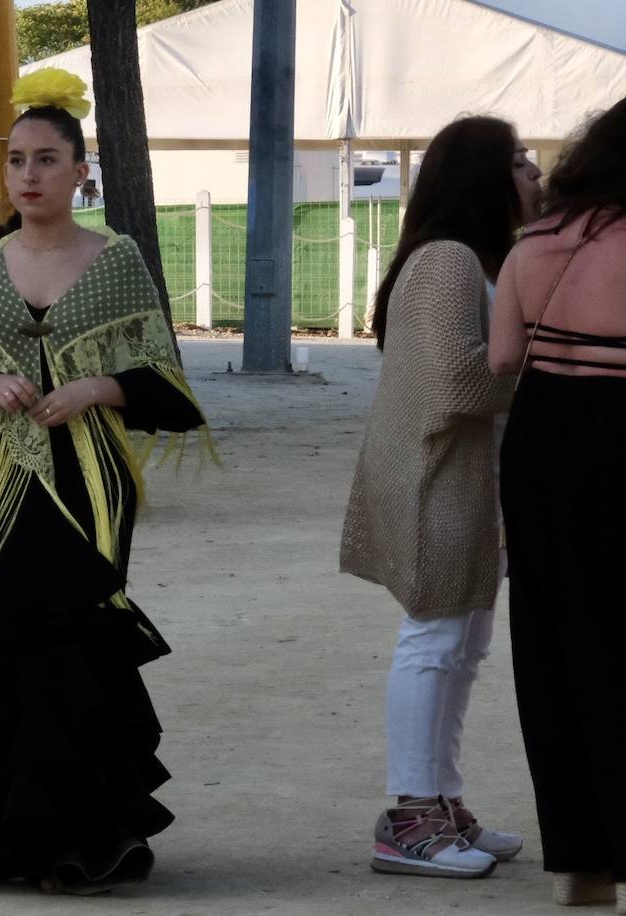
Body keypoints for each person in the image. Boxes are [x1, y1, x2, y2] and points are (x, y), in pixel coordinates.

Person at [0, 69, 210, 894]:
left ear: (81, 172)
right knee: (6, 640)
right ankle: (11, 836)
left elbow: (165, 383)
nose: (29, 174)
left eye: (46, 159)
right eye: (17, 160)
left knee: (79, 642)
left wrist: (97, 388)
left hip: (90, 483)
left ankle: (90, 834)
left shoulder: (118, 261)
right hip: (6, 482)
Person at [340, 116, 543, 878]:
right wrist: (550, 371)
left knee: (462, 645)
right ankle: (409, 815)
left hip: (466, 481)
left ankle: (443, 804)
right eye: (520, 162)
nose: (534, 176)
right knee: (433, 644)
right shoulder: (449, 261)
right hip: (438, 480)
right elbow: (458, 379)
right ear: (483, 176)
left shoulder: (476, 258)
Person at [489, 98, 626, 913]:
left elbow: (504, 355)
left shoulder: (532, 244)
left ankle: (579, 867)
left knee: (552, 648)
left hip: (541, 441)